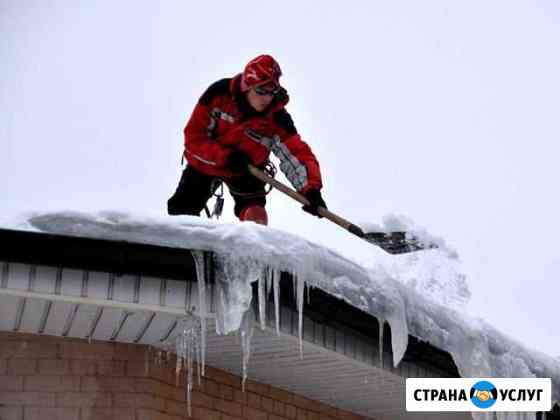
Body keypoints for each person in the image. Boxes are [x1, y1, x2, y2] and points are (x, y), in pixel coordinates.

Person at [167, 54, 327, 225]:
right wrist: (225, 157)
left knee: (256, 218)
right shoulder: (218, 95)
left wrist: (311, 190)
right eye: (261, 91)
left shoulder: (277, 118)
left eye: (272, 92)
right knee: (181, 212)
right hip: (207, 163)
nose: (267, 98)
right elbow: (194, 138)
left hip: (248, 171)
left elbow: (297, 153)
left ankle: (248, 249)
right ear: (247, 87)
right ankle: (184, 248)